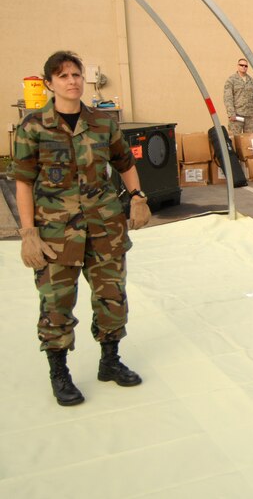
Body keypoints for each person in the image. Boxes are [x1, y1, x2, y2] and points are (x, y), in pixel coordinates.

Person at [13, 51, 150, 406]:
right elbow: (24, 183)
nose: (72, 81)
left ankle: (110, 361)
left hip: (105, 228)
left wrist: (137, 196)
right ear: (49, 84)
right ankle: (59, 373)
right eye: (63, 76)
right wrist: (28, 233)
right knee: (56, 305)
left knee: (112, 299)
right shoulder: (33, 128)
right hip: (55, 235)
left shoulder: (103, 124)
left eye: (76, 75)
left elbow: (125, 161)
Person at [223, 58, 253, 135]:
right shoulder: (231, 80)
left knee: (250, 140)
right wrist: (231, 113)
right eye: (241, 65)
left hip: (250, 116)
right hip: (237, 115)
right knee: (235, 139)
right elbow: (228, 98)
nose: (244, 67)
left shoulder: (251, 81)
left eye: (246, 66)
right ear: (237, 66)